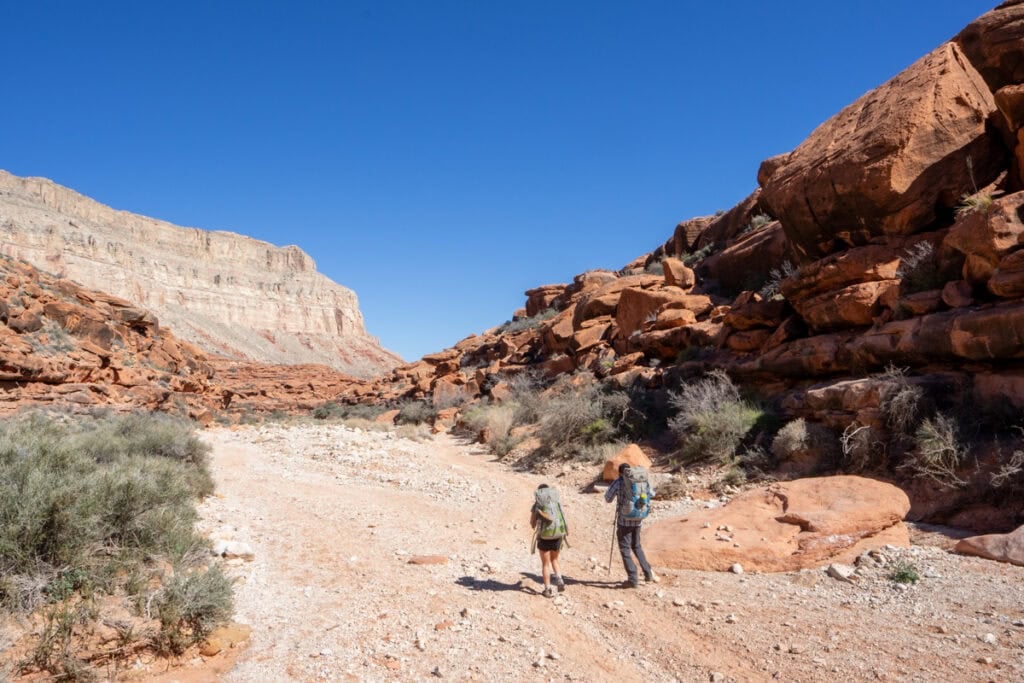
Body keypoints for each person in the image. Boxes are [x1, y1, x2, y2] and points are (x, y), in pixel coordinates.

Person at [604, 463, 658, 588]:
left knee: (625, 549)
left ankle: (633, 579)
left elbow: (607, 498)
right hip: (638, 519)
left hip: (624, 521)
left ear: (620, 473)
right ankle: (648, 573)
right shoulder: (639, 481)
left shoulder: (618, 482)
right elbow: (652, 494)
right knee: (637, 546)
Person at [530, 484, 567, 598]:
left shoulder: (537, 505)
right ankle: (559, 579)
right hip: (558, 535)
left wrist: (536, 523)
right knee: (555, 559)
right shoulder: (556, 503)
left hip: (544, 536)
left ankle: (548, 589)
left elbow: (532, 523)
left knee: (545, 564)